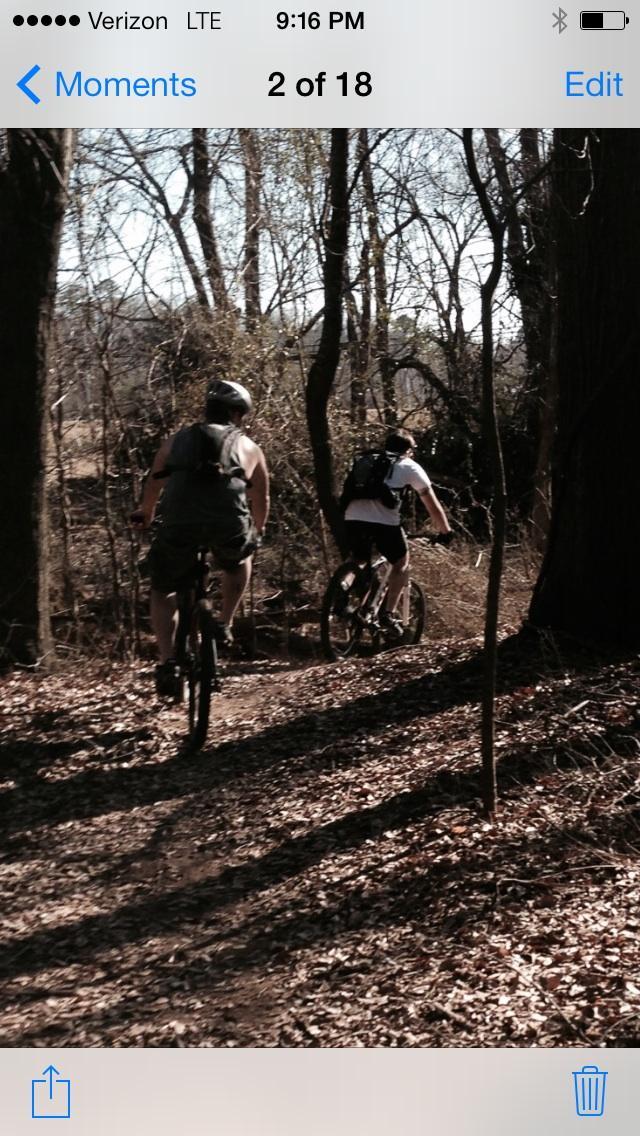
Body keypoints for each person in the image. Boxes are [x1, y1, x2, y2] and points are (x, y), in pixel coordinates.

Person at [132, 379, 270, 695]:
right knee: (238, 561)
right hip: (228, 525)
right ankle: (224, 622)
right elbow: (261, 498)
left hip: (179, 524)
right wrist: (258, 530)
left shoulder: (176, 441)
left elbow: (154, 484)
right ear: (237, 413)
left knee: (163, 587)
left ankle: (167, 660)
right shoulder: (249, 447)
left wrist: (146, 514)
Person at [342, 428, 452, 636]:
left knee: (359, 559)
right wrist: (445, 531)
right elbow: (431, 503)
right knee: (401, 562)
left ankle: (342, 587)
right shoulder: (409, 466)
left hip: (352, 517)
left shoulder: (366, 461)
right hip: (384, 523)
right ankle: (388, 614)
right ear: (408, 450)